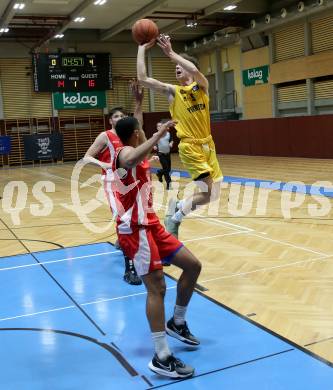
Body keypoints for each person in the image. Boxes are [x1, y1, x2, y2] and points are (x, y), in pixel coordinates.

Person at [109, 116, 201, 378]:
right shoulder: (123, 153)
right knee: (157, 287)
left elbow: (135, 130)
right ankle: (161, 356)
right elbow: (129, 158)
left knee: (193, 266)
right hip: (135, 230)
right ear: (136, 134)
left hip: (152, 226)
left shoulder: (136, 147)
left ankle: (178, 322)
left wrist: (138, 104)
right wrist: (159, 134)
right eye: (141, 129)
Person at [137, 35, 223, 238]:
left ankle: (177, 207)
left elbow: (194, 71)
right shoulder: (173, 92)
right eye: (175, 66)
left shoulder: (202, 86)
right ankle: (174, 219)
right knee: (208, 192)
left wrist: (172, 54)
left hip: (208, 146)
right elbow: (143, 79)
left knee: (213, 195)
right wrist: (142, 48)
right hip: (190, 147)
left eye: (180, 66)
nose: (177, 68)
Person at [84, 81, 144, 286]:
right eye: (116, 116)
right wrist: (106, 164)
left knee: (136, 216)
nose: (119, 119)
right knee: (123, 217)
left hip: (131, 180)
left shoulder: (130, 136)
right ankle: (130, 267)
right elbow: (87, 157)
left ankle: (124, 241)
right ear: (110, 121)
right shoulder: (105, 135)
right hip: (112, 180)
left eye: (122, 116)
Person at [154, 118, 173, 190]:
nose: (160, 127)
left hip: (168, 154)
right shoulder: (156, 135)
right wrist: (154, 146)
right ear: (157, 128)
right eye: (158, 126)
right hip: (160, 154)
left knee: (168, 169)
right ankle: (169, 184)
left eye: (161, 126)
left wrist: (171, 143)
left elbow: (171, 140)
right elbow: (153, 143)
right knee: (166, 169)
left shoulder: (168, 134)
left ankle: (159, 173)